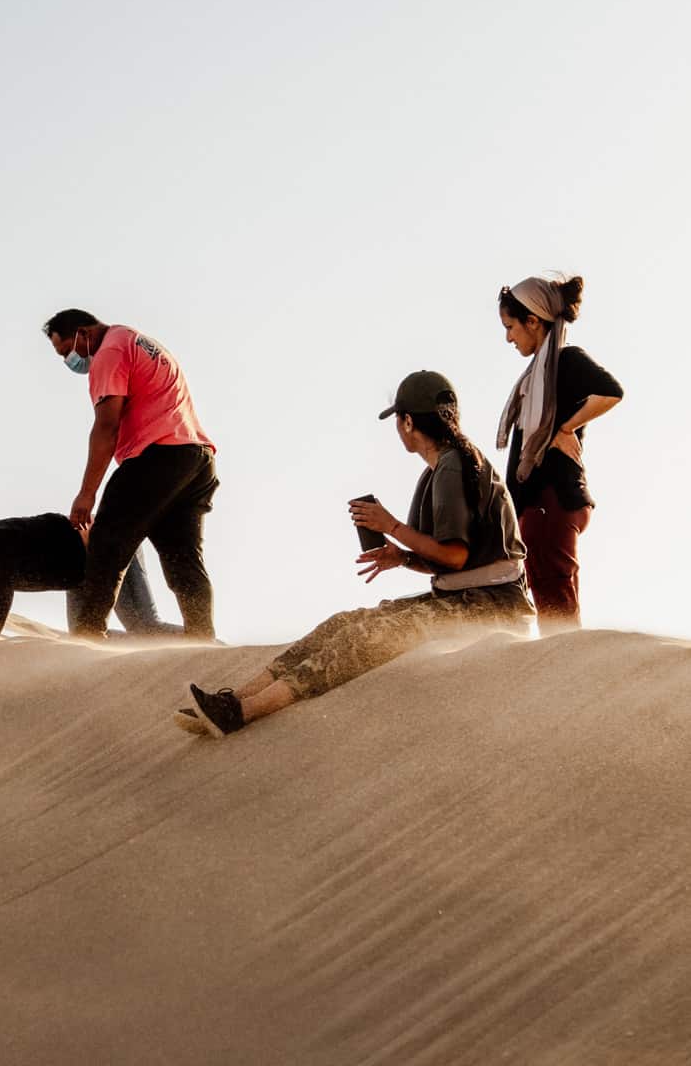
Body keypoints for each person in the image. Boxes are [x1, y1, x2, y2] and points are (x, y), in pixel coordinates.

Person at [179, 371, 532, 738]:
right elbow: (457, 558)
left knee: (361, 638)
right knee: (341, 624)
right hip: (465, 596)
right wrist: (404, 558)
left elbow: (456, 556)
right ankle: (232, 699)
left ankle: (243, 712)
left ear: (408, 421)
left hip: (494, 608)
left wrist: (391, 526)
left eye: (398, 420)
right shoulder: (442, 468)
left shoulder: (452, 467)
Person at [43, 308, 219, 640]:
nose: (69, 359)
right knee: (183, 560)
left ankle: (88, 635)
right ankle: (202, 641)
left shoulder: (108, 351)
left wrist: (87, 493)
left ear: (83, 333)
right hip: (196, 458)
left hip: (158, 455)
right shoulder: (138, 341)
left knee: (107, 541)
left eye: (66, 350)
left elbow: (106, 426)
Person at [497, 274, 623, 630]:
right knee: (555, 608)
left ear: (533, 321)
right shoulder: (537, 374)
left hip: (552, 501)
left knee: (559, 618)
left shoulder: (565, 359)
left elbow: (611, 391)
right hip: (540, 507)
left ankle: (571, 681)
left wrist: (566, 428)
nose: (509, 337)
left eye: (511, 326)